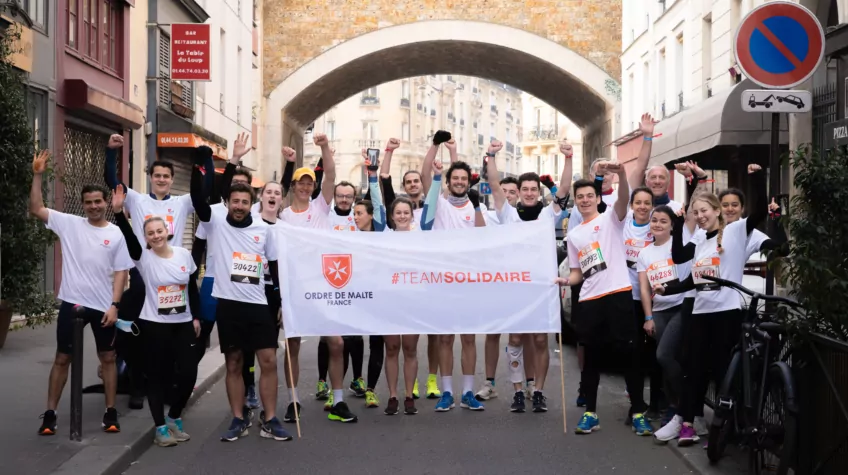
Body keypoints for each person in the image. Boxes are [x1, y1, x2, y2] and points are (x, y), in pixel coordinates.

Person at [653, 169, 768, 446]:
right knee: (693, 370)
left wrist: (756, 179)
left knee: (722, 372)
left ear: (717, 210)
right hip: (700, 313)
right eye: (696, 212)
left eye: (704, 211)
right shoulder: (701, 240)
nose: (700, 216)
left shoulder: (736, 231)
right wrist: (667, 289)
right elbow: (689, 273)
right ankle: (688, 425)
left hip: (726, 313)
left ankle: (729, 429)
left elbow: (760, 212)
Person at [189, 145, 291, 442]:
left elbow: (274, 266)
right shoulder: (216, 223)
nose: (239, 206)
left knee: (268, 360)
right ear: (227, 202)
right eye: (235, 201)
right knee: (233, 362)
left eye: (245, 202)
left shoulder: (263, 229)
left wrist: (280, 301)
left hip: (258, 304)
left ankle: (269, 418)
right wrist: (204, 165)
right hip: (229, 305)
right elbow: (198, 199)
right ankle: (237, 417)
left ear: (251, 204)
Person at [30, 150, 134, 436]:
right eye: (88, 202)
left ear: (105, 202)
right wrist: (37, 175)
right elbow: (37, 208)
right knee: (62, 358)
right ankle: (50, 414)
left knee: (108, 358)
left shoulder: (116, 234)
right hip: (72, 303)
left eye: (98, 201)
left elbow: (121, 272)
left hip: (103, 306)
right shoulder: (70, 224)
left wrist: (114, 305)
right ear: (83, 204)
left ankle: (110, 412)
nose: (93, 206)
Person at [104, 134, 201, 410]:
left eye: (166, 176)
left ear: (172, 179)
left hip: (172, 279)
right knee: (136, 334)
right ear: (150, 177)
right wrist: (111, 152)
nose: (161, 179)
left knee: (168, 339)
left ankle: (168, 388)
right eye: (157, 175)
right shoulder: (137, 200)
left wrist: (203, 163)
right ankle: (137, 385)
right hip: (143, 277)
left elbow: (202, 193)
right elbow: (112, 181)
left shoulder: (181, 203)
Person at [556, 160, 653, 436]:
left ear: (597, 199)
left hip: (618, 295)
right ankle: (590, 413)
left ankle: (638, 412)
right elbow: (578, 272)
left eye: (590, 196)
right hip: (590, 300)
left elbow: (623, 198)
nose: (585, 200)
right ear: (576, 202)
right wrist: (566, 280)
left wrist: (621, 173)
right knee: (592, 358)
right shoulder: (574, 235)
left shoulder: (611, 218)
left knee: (629, 355)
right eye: (580, 197)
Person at [481, 139, 574, 413]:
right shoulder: (508, 214)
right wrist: (491, 156)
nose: (530, 193)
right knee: (515, 340)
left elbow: (564, 189)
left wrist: (568, 158)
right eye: (526, 189)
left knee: (541, 340)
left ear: (538, 192)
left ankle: (539, 391)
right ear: (519, 192)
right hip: (515, 288)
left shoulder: (547, 214)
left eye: (534, 189)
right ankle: (518, 391)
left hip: (541, 287)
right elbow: (495, 185)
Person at [111, 184, 201, 447]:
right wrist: (118, 213)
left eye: (159, 231)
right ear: (146, 237)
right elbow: (128, 236)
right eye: (150, 233)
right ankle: (160, 428)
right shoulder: (143, 258)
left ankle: (174, 417)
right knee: (158, 376)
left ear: (167, 231)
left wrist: (196, 317)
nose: (156, 236)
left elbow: (191, 289)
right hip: (154, 325)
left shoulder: (183, 255)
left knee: (188, 374)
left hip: (183, 324)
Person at [280, 133, 358, 423]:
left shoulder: (320, 207)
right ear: (293, 186)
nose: (305, 187)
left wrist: (324, 147)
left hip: (323, 285)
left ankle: (338, 402)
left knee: (336, 343)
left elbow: (331, 175)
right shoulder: (284, 216)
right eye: (300, 182)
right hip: (295, 288)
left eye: (309, 183)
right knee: (292, 345)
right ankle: (293, 401)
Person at [191, 135, 262, 414]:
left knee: (243, 344)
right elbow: (198, 245)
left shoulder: (254, 217)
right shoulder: (214, 213)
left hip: (243, 284)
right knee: (202, 334)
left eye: (243, 191)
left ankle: (249, 386)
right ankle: (186, 380)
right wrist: (232, 160)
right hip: (213, 281)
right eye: (233, 187)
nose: (238, 199)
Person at [420, 133, 487, 412]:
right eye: (455, 178)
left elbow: (484, 237)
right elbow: (426, 174)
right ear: (448, 182)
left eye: (463, 179)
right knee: (446, 338)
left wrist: (478, 206)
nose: (459, 182)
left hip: (469, 282)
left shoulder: (476, 206)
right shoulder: (440, 204)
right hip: (443, 282)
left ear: (469, 182)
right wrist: (436, 146)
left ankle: (468, 392)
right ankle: (447, 392)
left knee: (469, 338)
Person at [370, 138, 441, 399]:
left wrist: (437, 178)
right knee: (391, 349)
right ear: (391, 216)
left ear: (412, 215)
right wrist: (371, 177)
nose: (401, 216)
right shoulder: (384, 233)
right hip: (389, 299)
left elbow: (431, 203)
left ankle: (409, 396)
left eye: (406, 213)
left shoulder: (422, 231)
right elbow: (377, 202)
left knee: (410, 349)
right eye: (397, 213)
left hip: (413, 299)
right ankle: (392, 396)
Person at [636, 205, 689, 443]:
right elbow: (644, 288)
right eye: (654, 220)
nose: (657, 224)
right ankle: (673, 409)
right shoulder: (645, 253)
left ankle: (684, 407)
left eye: (663, 221)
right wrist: (648, 317)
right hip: (659, 311)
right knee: (666, 361)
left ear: (672, 225)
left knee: (664, 356)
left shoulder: (679, 244)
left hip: (680, 306)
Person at [351, 198, 386, 409]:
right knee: (352, 340)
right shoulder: (349, 238)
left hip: (378, 298)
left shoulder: (382, 237)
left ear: (371, 215)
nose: (355, 218)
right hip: (356, 296)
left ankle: (371, 390)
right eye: (354, 214)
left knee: (376, 343)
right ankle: (356, 379)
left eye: (359, 213)